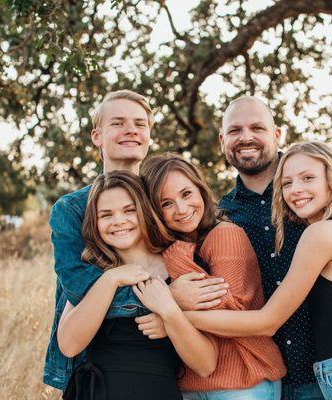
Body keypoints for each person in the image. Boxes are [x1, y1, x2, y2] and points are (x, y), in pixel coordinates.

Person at [185, 142, 332, 399]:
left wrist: (177, 317)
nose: (296, 190)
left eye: (308, 178)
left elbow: (267, 322)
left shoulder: (321, 233)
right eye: (287, 183)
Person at [43, 90, 229, 391]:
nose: (131, 130)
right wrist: (164, 299)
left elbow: (205, 355)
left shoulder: (164, 206)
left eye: (140, 124)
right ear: (97, 136)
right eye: (118, 122)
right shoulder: (73, 211)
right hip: (98, 372)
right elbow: (79, 291)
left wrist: (170, 309)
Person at [138, 153, 286, 399]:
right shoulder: (175, 247)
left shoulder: (224, 234)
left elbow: (224, 307)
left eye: (186, 194)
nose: (181, 209)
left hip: (243, 381)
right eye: (166, 203)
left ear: (200, 190)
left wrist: (168, 316)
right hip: (190, 383)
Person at [58, 171, 218, 399]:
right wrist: (111, 279)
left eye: (129, 210)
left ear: (145, 211)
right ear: (95, 223)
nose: (118, 221)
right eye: (106, 215)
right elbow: (69, 345)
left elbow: (205, 365)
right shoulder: (91, 271)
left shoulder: (179, 266)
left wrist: (170, 311)